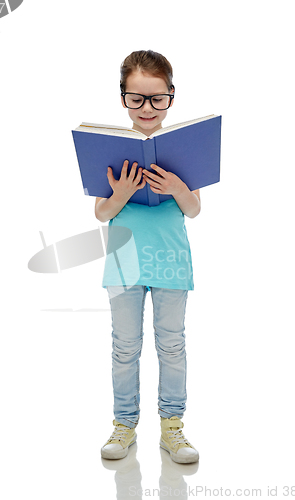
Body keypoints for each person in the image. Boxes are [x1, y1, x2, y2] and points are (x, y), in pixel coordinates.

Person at [95, 50, 201, 464]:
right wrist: (119, 195)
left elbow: (193, 209)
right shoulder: (109, 148)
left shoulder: (184, 148)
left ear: (171, 96)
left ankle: (172, 427)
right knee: (125, 346)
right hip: (123, 261)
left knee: (172, 345)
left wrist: (177, 187)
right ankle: (124, 424)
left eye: (157, 99)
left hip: (172, 261)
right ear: (123, 97)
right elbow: (102, 212)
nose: (147, 108)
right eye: (136, 98)